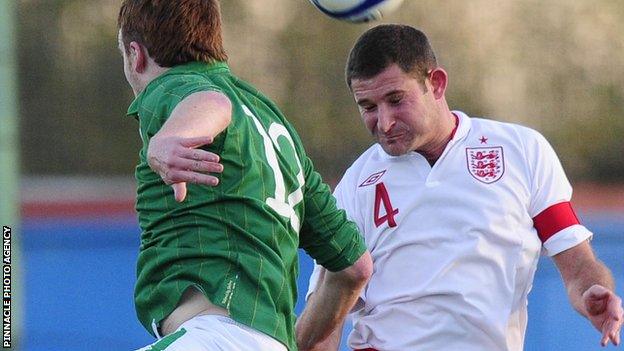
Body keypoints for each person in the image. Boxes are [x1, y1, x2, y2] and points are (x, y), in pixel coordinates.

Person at [305, 24, 624, 351]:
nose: (384, 122)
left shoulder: (521, 151)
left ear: (437, 83)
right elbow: (326, 318)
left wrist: (591, 292)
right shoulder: (355, 185)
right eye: (368, 107)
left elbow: (578, 266)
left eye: (396, 99)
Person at [116, 1, 372, 350]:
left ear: (136, 55)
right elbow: (354, 267)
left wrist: (165, 142)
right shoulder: (277, 127)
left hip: (211, 339)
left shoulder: (172, 85)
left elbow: (211, 103)